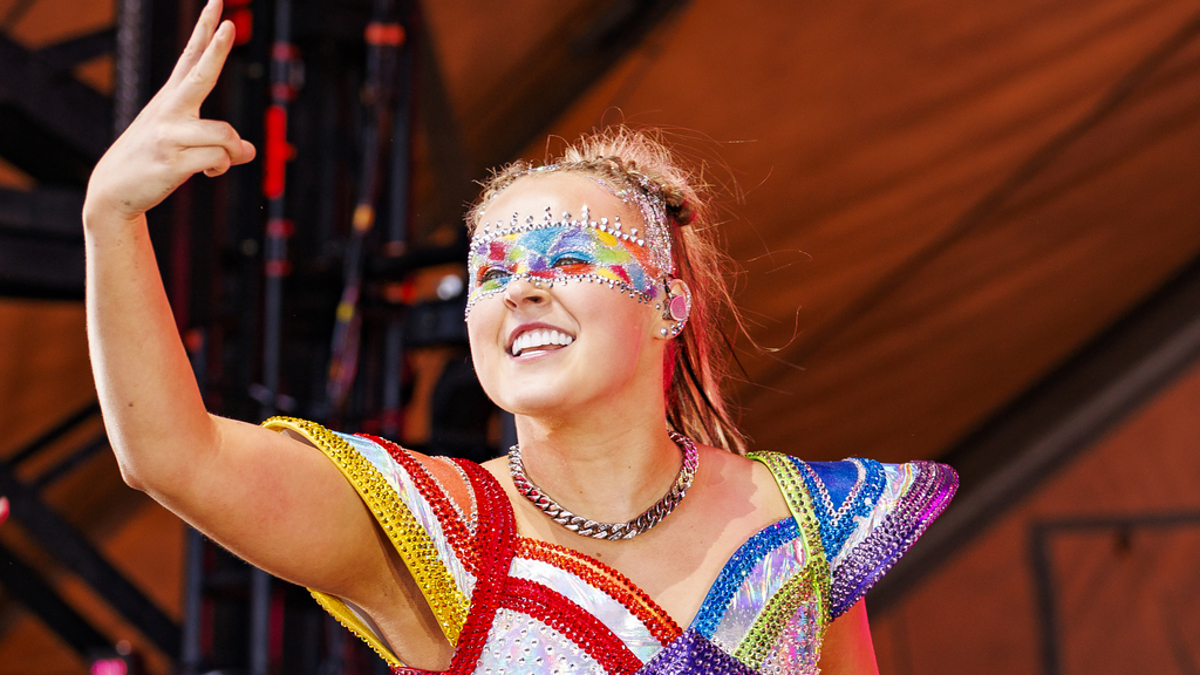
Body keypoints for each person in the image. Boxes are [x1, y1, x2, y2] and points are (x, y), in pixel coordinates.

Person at [84, 2, 957, 673]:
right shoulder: (442, 532)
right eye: (492, 272)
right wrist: (110, 220)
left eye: (570, 256)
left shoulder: (810, 521)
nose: (524, 285)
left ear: (670, 302)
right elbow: (171, 453)